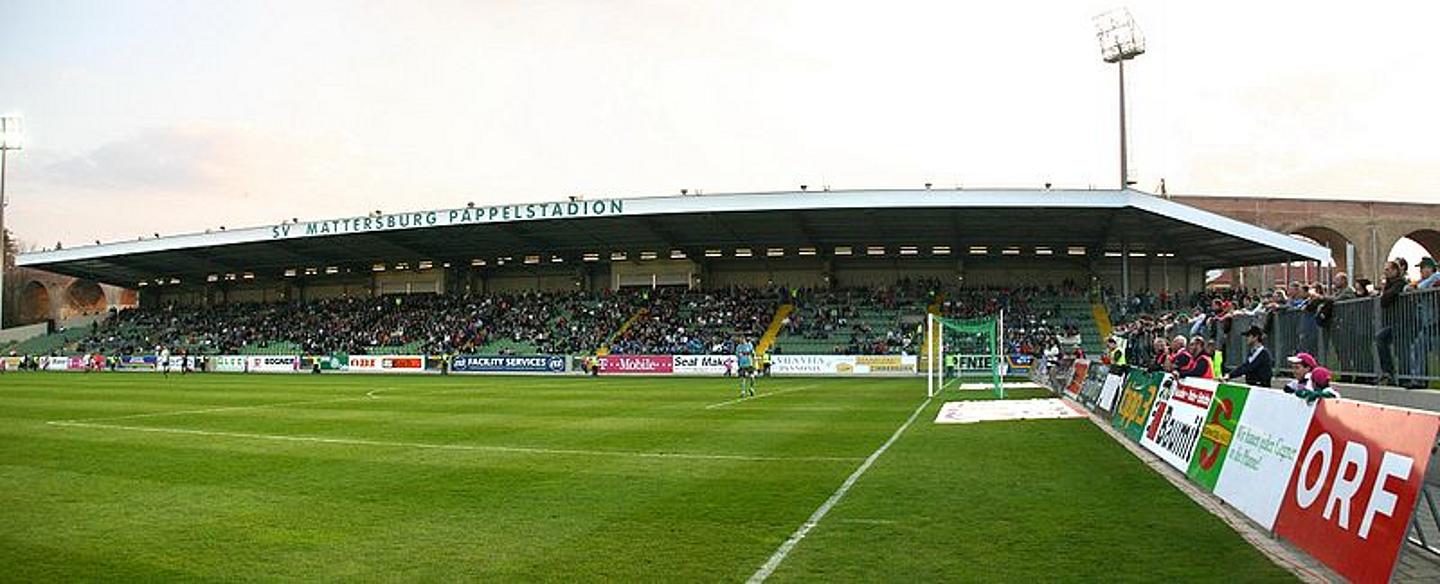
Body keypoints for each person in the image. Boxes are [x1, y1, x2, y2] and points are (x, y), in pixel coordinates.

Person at [1376, 261, 1405, 386]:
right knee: (1380, 338)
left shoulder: (1400, 282)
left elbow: (1387, 298)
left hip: (1402, 320)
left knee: (1402, 349)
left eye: (1388, 270)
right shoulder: (1389, 284)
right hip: (1391, 321)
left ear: (1395, 271)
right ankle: (1389, 372)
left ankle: (1401, 376)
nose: (1385, 272)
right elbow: (1384, 301)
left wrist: (1383, 292)